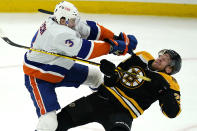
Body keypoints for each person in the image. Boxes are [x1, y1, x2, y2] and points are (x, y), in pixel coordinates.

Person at [23, 1, 137, 131]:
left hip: (58, 68)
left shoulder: (66, 22)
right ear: (62, 20)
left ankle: (105, 105)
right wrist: (113, 46)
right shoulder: (58, 33)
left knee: (95, 77)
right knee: (49, 124)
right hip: (39, 76)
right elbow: (86, 51)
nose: (75, 22)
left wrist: (114, 37)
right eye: (72, 20)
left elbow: (92, 30)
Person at [55, 49, 182, 131]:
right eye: (161, 56)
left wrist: (164, 90)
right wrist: (110, 73)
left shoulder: (170, 83)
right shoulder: (141, 57)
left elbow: (172, 112)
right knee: (56, 123)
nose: (160, 58)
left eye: (165, 60)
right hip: (99, 100)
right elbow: (112, 82)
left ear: (169, 69)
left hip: (122, 113)